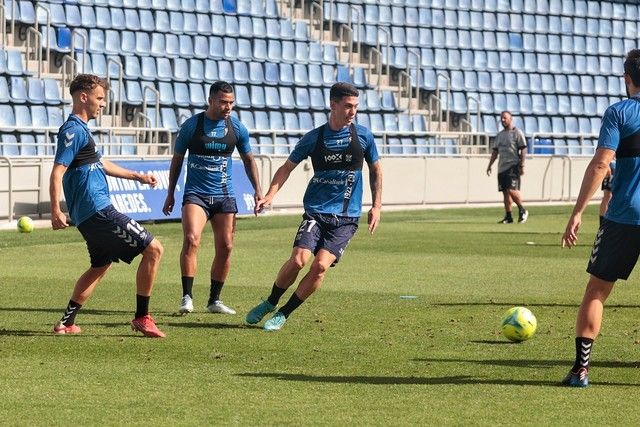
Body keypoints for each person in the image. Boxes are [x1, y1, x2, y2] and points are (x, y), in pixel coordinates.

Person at [245, 82, 383, 331]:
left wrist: (376, 205)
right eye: (348, 106)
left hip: (347, 217)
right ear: (333, 105)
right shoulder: (314, 138)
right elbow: (287, 168)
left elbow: (376, 170)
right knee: (299, 260)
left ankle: (284, 314)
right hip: (317, 212)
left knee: (319, 267)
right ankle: (271, 302)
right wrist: (270, 195)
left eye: (356, 107)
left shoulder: (363, 136)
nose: (353, 111)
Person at [50, 74, 165, 338]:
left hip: (89, 213)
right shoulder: (73, 130)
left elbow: (100, 164)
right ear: (83, 97)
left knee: (101, 265)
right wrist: (56, 210)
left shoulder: (82, 130)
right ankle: (142, 317)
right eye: (99, 98)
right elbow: (57, 171)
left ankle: (66, 323)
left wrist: (137, 176)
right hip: (98, 209)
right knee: (154, 249)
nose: (102, 104)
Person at [560, 49, 640, 387]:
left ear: (627, 79)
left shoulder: (620, 113)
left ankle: (581, 370)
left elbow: (600, 164)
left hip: (624, 216)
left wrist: (577, 211)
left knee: (597, 289)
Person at [162, 81, 262, 315]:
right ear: (211, 100)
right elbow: (177, 161)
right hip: (196, 194)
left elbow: (249, 160)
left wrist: (257, 189)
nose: (227, 107)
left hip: (224, 195)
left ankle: (214, 300)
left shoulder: (236, 128)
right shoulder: (191, 126)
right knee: (191, 239)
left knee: (226, 246)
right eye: (223, 102)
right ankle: (187, 296)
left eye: (231, 103)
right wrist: (170, 193)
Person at [486, 111, 529, 224]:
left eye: (505, 118)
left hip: (513, 166)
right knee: (505, 192)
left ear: (511, 119)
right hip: (502, 168)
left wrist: (522, 164)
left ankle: (522, 210)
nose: (503, 120)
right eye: (502, 118)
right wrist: (490, 165)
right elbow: (495, 152)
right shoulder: (500, 135)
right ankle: (508, 216)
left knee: (511, 190)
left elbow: (523, 149)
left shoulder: (517, 133)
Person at [599, 159, 616, 225]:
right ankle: (603, 222)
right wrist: (607, 165)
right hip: (611, 164)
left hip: (620, 164)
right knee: (608, 196)